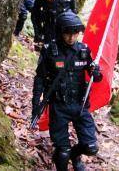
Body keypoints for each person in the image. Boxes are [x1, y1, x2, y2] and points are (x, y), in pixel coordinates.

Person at [32, 10, 102, 171]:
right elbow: (40, 78)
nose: (71, 37)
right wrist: (35, 103)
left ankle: (75, 156)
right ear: (60, 32)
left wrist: (96, 73)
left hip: (80, 105)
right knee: (62, 151)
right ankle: (66, 158)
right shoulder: (50, 50)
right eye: (67, 34)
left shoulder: (83, 51)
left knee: (91, 146)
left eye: (75, 33)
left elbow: (96, 78)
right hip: (59, 106)